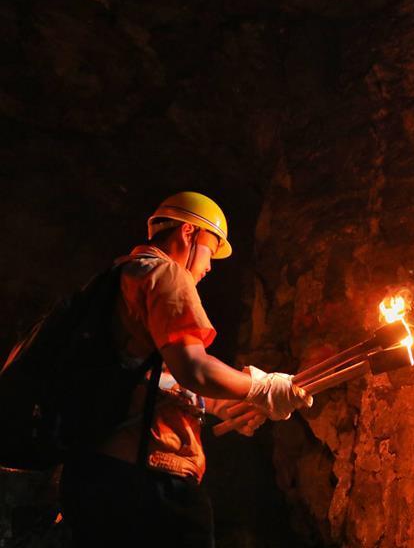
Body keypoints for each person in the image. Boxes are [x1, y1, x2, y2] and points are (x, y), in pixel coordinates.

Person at [60, 191, 312, 548]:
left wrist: (220, 405)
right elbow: (193, 367)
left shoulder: (120, 276)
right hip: (149, 481)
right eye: (211, 250)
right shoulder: (165, 273)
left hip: (94, 473)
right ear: (189, 234)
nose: (209, 266)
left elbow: (150, 377)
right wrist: (262, 387)